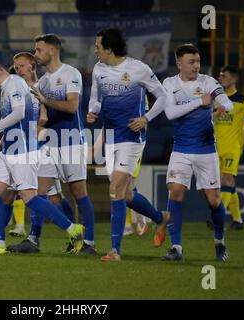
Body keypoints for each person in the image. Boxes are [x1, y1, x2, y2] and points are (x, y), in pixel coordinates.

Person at [0, 50, 84, 254]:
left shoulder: (13, 84)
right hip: (10, 150)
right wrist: (4, 134)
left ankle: (72, 228)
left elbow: (20, 112)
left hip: (22, 151)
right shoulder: (11, 84)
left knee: (29, 196)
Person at [131, 43, 234, 262]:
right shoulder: (169, 83)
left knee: (214, 200)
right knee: (175, 192)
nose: (196, 66)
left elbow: (224, 100)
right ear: (179, 63)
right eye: (191, 62)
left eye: (197, 61)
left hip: (207, 150)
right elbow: (170, 113)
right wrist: (200, 102)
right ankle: (176, 248)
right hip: (182, 150)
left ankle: (219, 242)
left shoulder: (208, 81)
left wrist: (224, 104)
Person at [86, 28, 170, 262]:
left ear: (109, 50)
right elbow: (95, 97)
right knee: (126, 193)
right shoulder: (99, 69)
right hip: (111, 136)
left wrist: (146, 118)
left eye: (98, 46)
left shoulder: (138, 69)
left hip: (132, 138)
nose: (95, 50)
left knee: (115, 189)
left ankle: (115, 250)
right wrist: (93, 111)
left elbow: (163, 96)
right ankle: (159, 217)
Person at [8, 34, 96, 254]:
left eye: (38, 50)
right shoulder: (44, 81)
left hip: (71, 140)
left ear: (52, 51)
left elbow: (73, 106)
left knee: (78, 193)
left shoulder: (70, 73)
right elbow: (44, 116)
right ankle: (33, 239)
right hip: (49, 143)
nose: (36, 54)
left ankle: (89, 244)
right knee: (37, 193)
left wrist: (45, 101)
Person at [211, 65, 244, 230]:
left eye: (224, 75)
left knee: (227, 180)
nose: (221, 78)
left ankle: (218, 217)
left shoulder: (243, 100)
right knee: (227, 185)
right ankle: (238, 220)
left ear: (234, 79)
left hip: (233, 148)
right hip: (215, 148)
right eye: (220, 75)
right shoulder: (216, 100)